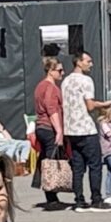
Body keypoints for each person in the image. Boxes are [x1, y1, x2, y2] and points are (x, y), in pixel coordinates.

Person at [61, 50, 108, 212]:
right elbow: (90, 105)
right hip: (86, 128)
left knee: (78, 167)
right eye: (88, 61)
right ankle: (96, 199)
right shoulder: (86, 80)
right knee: (95, 165)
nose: (91, 64)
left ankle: (79, 200)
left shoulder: (65, 81)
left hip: (70, 129)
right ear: (79, 62)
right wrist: (103, 105)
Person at [30, 53, 67, 208]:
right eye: (59, 70)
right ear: (50, 70)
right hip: (48, 127)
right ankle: (51, 196)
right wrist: (59, 130)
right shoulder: (50, 87)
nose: (62, 73)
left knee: (46, 159)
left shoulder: (39, 86)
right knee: (51, 161)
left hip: (41, 127)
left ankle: (50, 194)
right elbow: (51, 109)